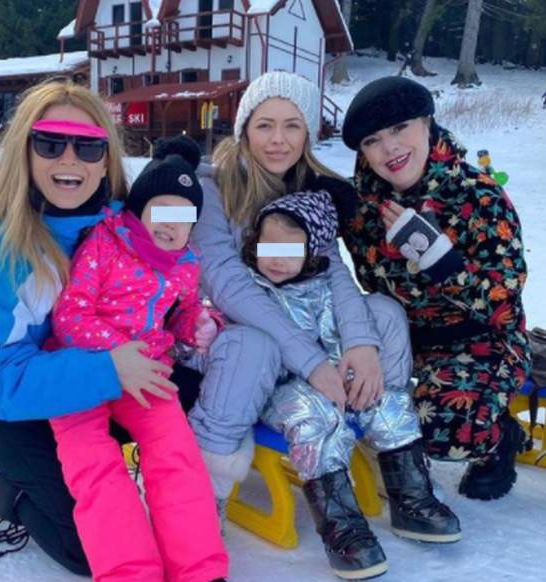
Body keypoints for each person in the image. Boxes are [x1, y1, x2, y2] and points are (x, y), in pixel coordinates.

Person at [187, 71, 453, 578]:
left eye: (292, 125)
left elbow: (334, 273)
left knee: (383, 312)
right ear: (244, 129)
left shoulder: (311, 189)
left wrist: (361, 345)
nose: (278, 139)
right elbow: (227, 285)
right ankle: (206, 495)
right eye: (265, 125)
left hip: (308, 326)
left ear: (308, 132)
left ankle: (395, 455)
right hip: (243, 344)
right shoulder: (213, 187)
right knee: (252, 345)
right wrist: (311, 362)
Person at [0, 78, 181, 575]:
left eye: (88, 147)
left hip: (88, 376)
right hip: (4, 397)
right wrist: (108, 371)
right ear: (24, 151)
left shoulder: (123, 228)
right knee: (92, 546)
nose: (70, 159)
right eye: (50, 143)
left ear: (106, 159)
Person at [241, 190, 460, 579]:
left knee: (386, 401)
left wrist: (350, 374)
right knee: (318, 417)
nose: (276, 260)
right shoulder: (249, 289)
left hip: (329, 378)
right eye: (268, 248)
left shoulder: (323, 286)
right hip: (278, 390)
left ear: (310, 254)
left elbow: (338, 335)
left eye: (290, 252)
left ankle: (411, 498)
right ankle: (341, 528)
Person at [46, 134, 229, 581]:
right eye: (162, 211)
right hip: (78, 367)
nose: (171, 226)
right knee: (95, 464)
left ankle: (199, 568)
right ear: (139, 209)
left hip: (145, 373)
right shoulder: (106, 243)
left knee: (176, 452)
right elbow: (69, 314)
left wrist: (198, 323)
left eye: (183, 218)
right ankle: (129, 571)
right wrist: (119, 354)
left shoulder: (185, 262)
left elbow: (183, 311)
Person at [341, 76, 531, 500]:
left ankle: (498, 436)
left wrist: (441, 261)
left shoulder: (478, 196)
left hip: (480, 339)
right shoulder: (361, 207)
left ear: (427, 124)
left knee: (443, 429)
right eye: (373, 140)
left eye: (399, 128)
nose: (390, 148)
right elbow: (295, 236)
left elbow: (504, 300)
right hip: (400, 339)